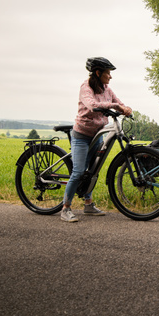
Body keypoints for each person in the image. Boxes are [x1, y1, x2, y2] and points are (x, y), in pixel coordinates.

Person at [60, 57, 133, 223]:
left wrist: (126, 108)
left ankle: (88, 204)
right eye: (108, 73)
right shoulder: (86, 87)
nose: (110, 77)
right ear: (98, 73)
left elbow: (117, 102)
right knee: (78, 172)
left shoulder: (106, 88)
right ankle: (65, 209)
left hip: (97, 134)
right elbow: (92, 105)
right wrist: (114, 106)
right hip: (82, 136)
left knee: (92, 171)